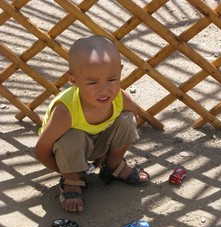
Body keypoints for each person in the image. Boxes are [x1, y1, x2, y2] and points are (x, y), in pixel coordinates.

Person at [34, 35, 150, 213]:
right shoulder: (65, 111)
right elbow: (41, 151)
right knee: (71, 137)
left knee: (127, 119)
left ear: (120, 71)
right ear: (73, 80)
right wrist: (66, 170)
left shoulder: (121, 97)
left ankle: (113, 165)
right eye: (92, 82)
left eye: (112, 79)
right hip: (69, 151)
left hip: (99, 144)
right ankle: (72, 181)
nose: (104, 90)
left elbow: (131, 120)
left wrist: (107, 152)